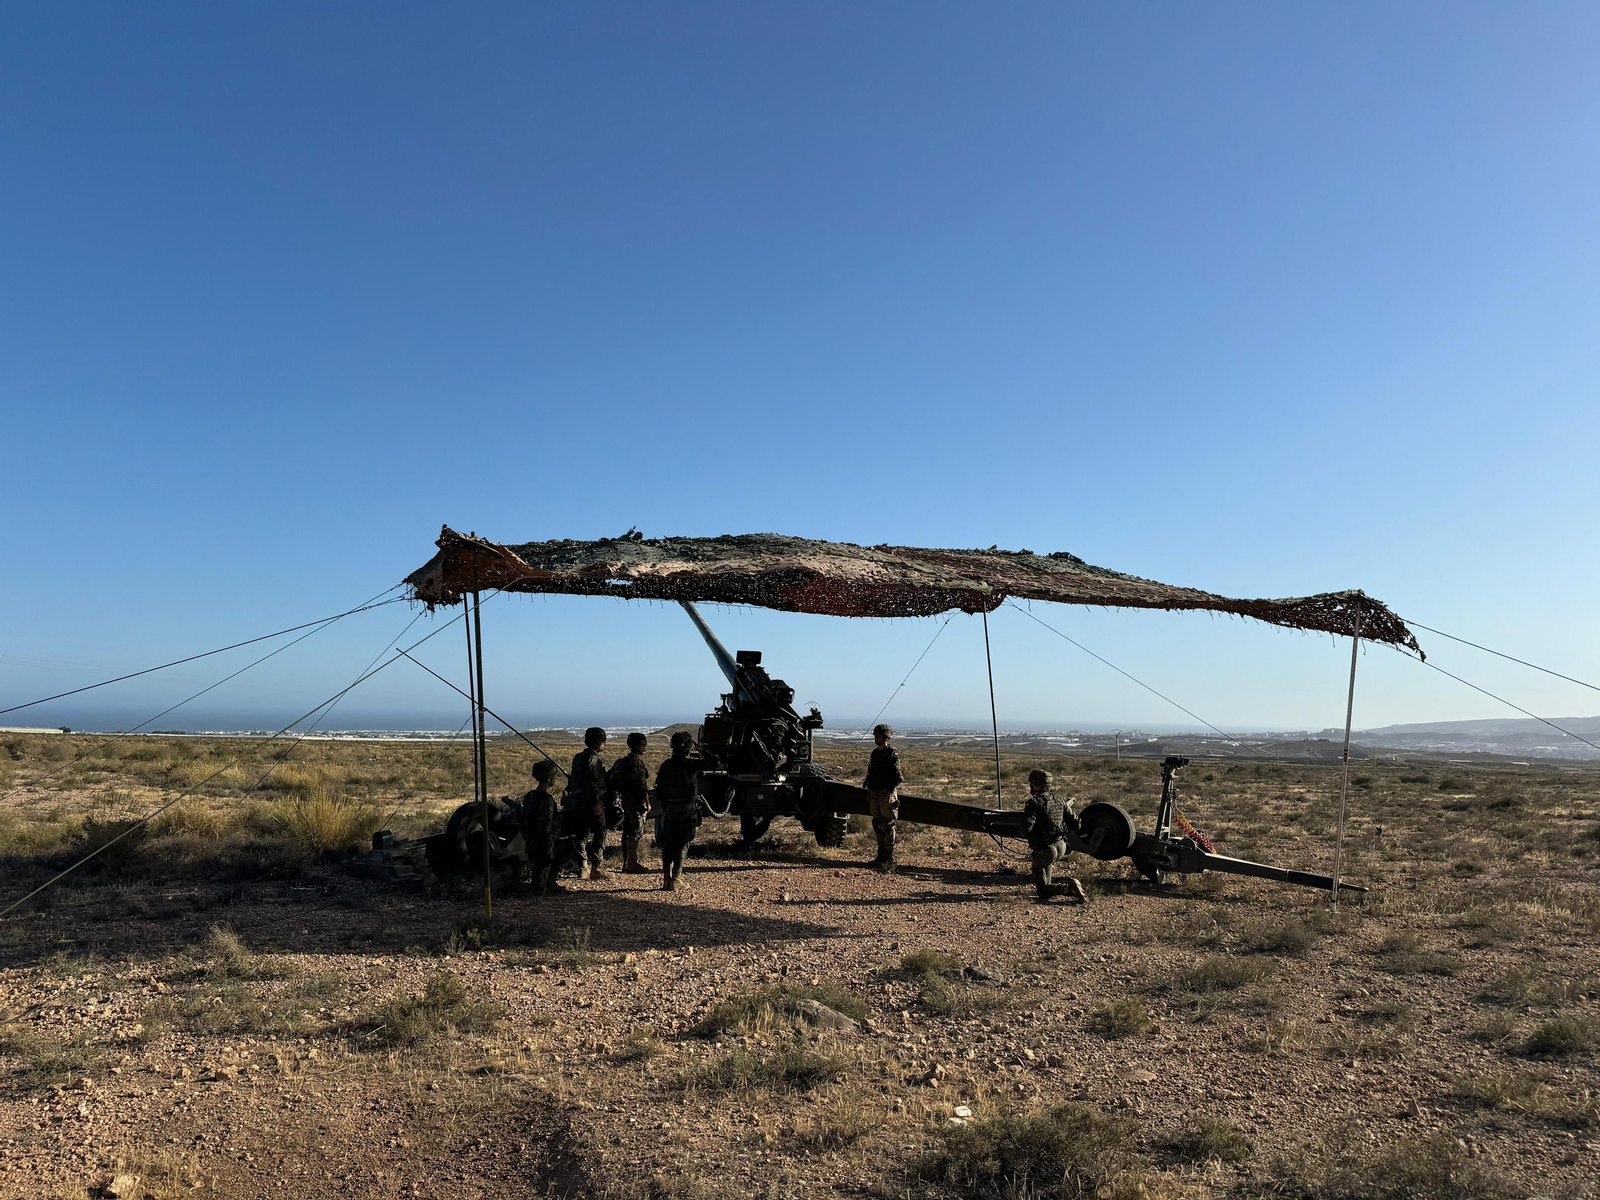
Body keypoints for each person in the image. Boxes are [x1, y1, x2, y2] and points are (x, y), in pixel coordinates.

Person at [1019, 768, 1088, 903]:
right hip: (1061, 846)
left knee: (1043, 891)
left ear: (1035, 785)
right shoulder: (1058, 799)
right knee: (1047, 865)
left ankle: (1068, 889)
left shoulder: (1034, 803)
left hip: (1045, 849)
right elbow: (1076, 824)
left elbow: (1026, 828)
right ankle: (1052, 886)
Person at [652, 731, 704, 891]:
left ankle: (666, 880)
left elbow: (659, 790)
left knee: (669, 843)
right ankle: (676, 878)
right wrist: (701, 750)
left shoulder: (666, 765)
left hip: (670, 810)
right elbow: (714, 762)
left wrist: (666, 805)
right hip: (687, 810)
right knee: (682, 842)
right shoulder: (691, 765)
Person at [563, 727, 611, 880]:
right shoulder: (593, 759)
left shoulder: (578, 758)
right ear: (598, 743)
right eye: (603, 742)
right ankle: (596, 867)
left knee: (581, 834)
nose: (604, 745)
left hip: (577, 802)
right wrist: (597, 804)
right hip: (590, 802)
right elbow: (591, 783)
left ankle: (583, 866)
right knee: (600, 832)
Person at [608, 732, 652, 874]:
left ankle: (626, 862)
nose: (644, 748)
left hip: (624, 801)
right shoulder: (636, 763)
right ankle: (632, 864)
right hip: (635, 803)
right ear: (637, 746)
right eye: (643, 745)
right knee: (635, 833)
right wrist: (646, 801)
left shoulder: (621, 762)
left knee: (627, 832)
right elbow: (640, 785)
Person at [521, 759, 565, 895]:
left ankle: (543, 883)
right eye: (554, 777)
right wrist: (549, 847)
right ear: (549, 779)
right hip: (543, 844)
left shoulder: (529, 796)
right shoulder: (547, 800)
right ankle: (548, 883)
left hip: (531, 842)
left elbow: (523, 821)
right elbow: (545, 827)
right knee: (568, 847)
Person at [863, 723, 904, 872]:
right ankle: (880, 856)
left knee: (888, 824)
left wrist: (889, 791)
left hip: (886, 793)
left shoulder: (892, 753)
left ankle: (889, 857)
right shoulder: (875, 753)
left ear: (885, 737)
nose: (876, 738)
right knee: (877, 823)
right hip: (875, 792)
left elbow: (898, 777)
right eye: (875, 735)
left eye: (878, 735)